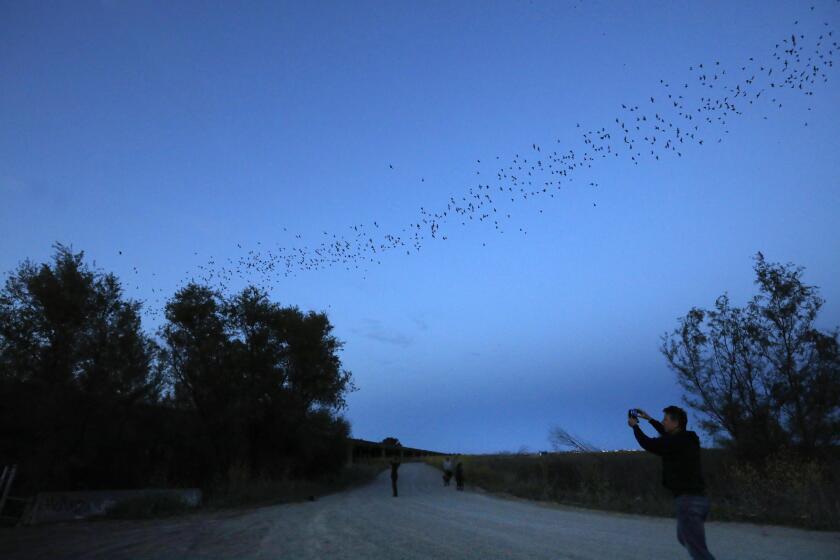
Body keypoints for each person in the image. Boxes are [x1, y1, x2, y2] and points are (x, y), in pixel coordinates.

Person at [629, 406, 715, 560]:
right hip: (698, 500)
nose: (663, 422)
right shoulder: (689, 439)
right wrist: (649, 419)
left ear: (676, 423)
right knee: (684, 538)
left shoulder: (673, 443)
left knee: (698, 551)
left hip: (689, 502)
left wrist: (635, 426)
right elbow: (667, 435)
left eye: (666, 419)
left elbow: (648, 443)